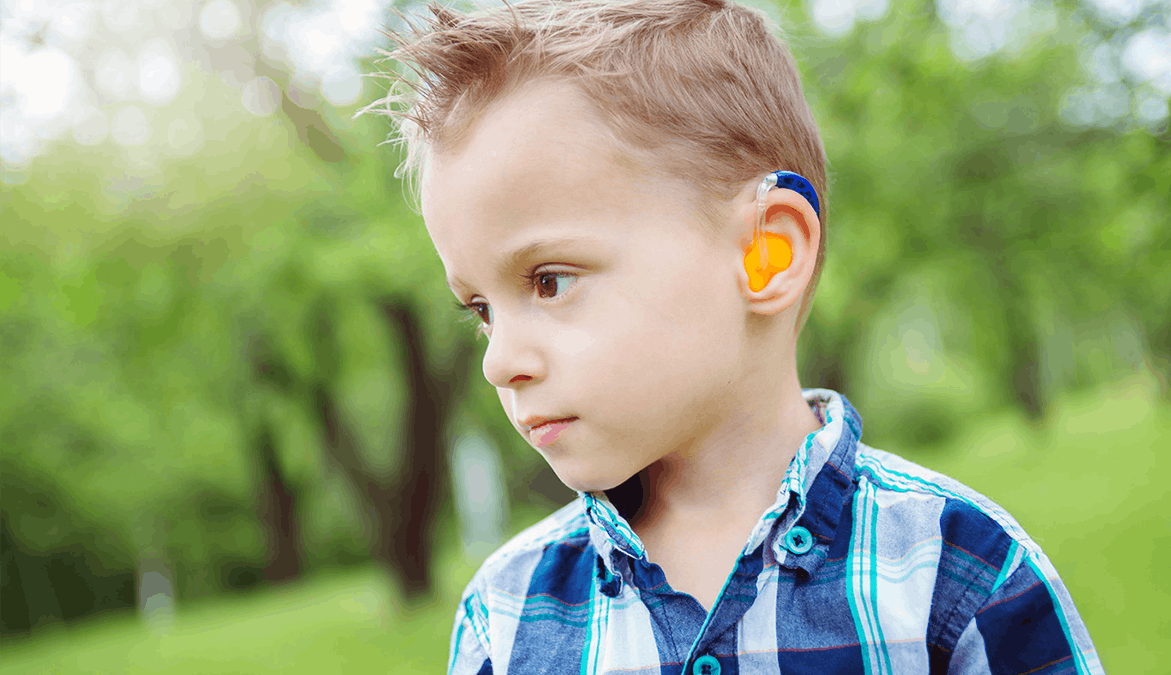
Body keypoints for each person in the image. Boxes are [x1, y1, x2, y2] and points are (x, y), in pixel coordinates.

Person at [363, 1, 1104, 672]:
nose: (499, 361)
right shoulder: (507, 614)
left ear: (766, 253)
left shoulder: (959, 571)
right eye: (481, 309)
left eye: (549, 280)